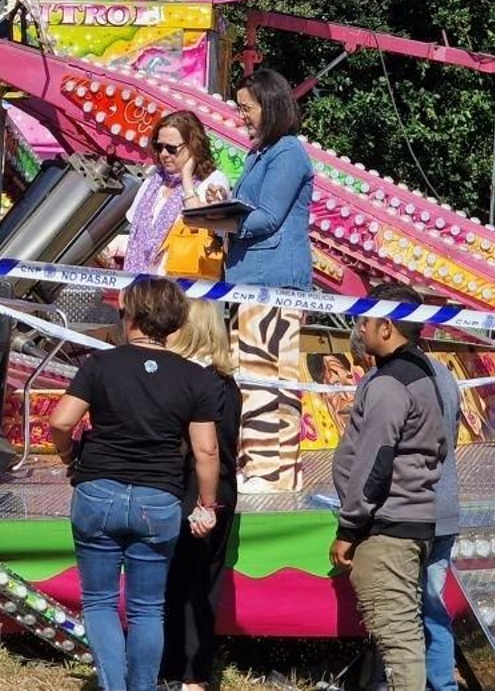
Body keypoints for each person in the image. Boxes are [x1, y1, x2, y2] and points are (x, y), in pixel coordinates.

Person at [50, 278, 221, 691]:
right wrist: (207, 505)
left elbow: (60, 421)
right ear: (173, 320)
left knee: (100, 603)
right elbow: (207, 451)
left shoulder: (100, 365)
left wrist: (70, 456)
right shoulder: (195, 378)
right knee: (148, 610)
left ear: (131, 314)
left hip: (98, 490)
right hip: (158, 498)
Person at [184, 69, 314, 492]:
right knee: (255, 375)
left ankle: (268, 472)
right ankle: (268, 468)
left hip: (273, 279)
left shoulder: (288, 153)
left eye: (247, 108)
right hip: (251, 279)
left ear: (271, 106)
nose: (242, 116)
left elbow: (269, 217)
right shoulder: (263, 153)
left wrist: (223, 219)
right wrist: (221, 209)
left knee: (266, 378)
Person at [330, 283, 447, 691]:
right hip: (410, 518)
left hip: (388, 527)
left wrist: (348, 527)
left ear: (385, 326)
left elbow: (374, 463)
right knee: (404, 635)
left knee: (399, 642)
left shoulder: (389, 385)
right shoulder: (426, 375)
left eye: (364, 320)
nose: (359, 329)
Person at [161, 300, 242, 691]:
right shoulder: (227, 381)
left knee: (181, 583)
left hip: (195, 486)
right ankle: (195, 673)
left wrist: (198, 502)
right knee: (203, 584)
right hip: (223, 485)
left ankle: (181, 671)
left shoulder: (194, 381)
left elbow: (198, 449)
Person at [124, 111, 231, 279]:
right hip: (143, 286)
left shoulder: (213, 181)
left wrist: (187, 177)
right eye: (159, 147)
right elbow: (134, 236)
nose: (164, 154)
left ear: (193, 146)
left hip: (187, 287)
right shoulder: (153, 181)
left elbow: (197, 224)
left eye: (172, 148)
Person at [423, 354, 462, 691]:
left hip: (410, 515)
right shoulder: (446, 376)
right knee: (434, 608)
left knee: (406, 611)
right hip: (445, 508)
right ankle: (443, 683)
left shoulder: (392, 378)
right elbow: (454, 437)